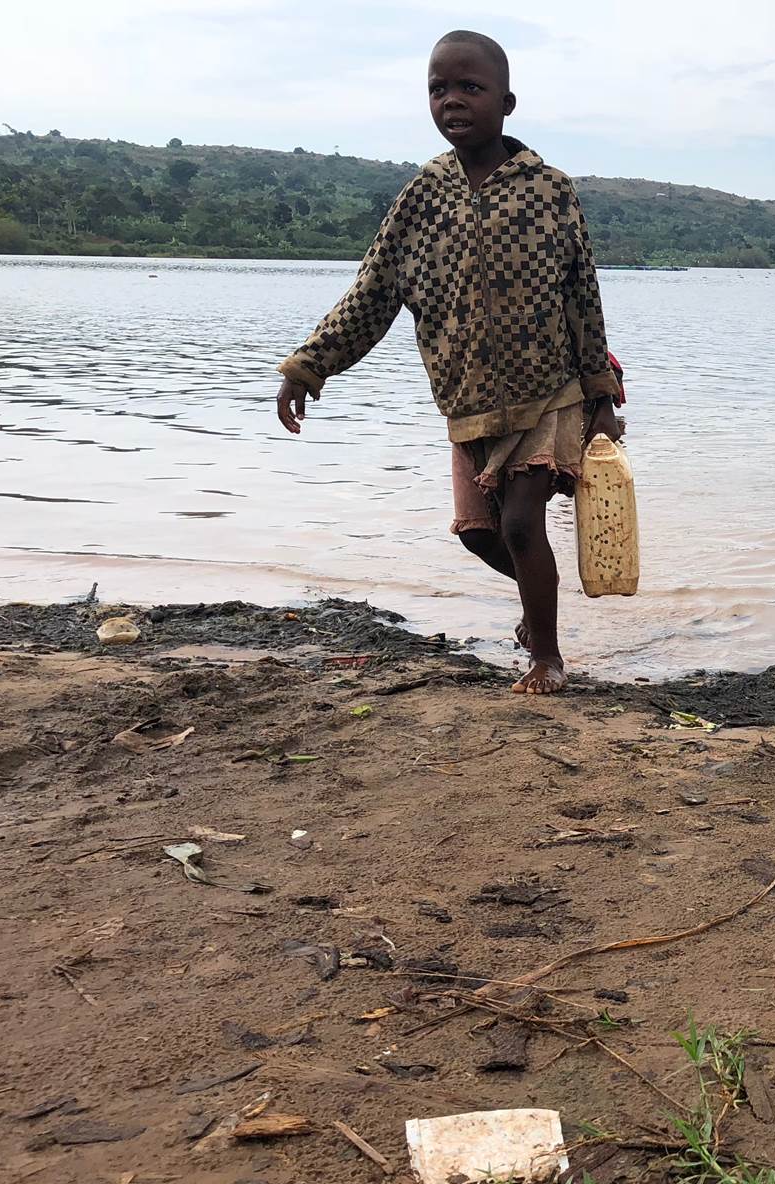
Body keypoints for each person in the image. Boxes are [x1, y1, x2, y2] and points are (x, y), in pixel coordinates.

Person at [271, 29, 619, 696]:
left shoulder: (550, 191)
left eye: (470, 87)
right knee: (477, 533)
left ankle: (546, 656)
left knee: (521, 523)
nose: (452, 100)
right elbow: (374, 291)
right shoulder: (422, 197)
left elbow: (583, 292)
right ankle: (536, 605)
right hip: (467, 400)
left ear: (507, 102)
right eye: (438, 88)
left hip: (549, 392)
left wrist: (601, 394)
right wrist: (308, 366)